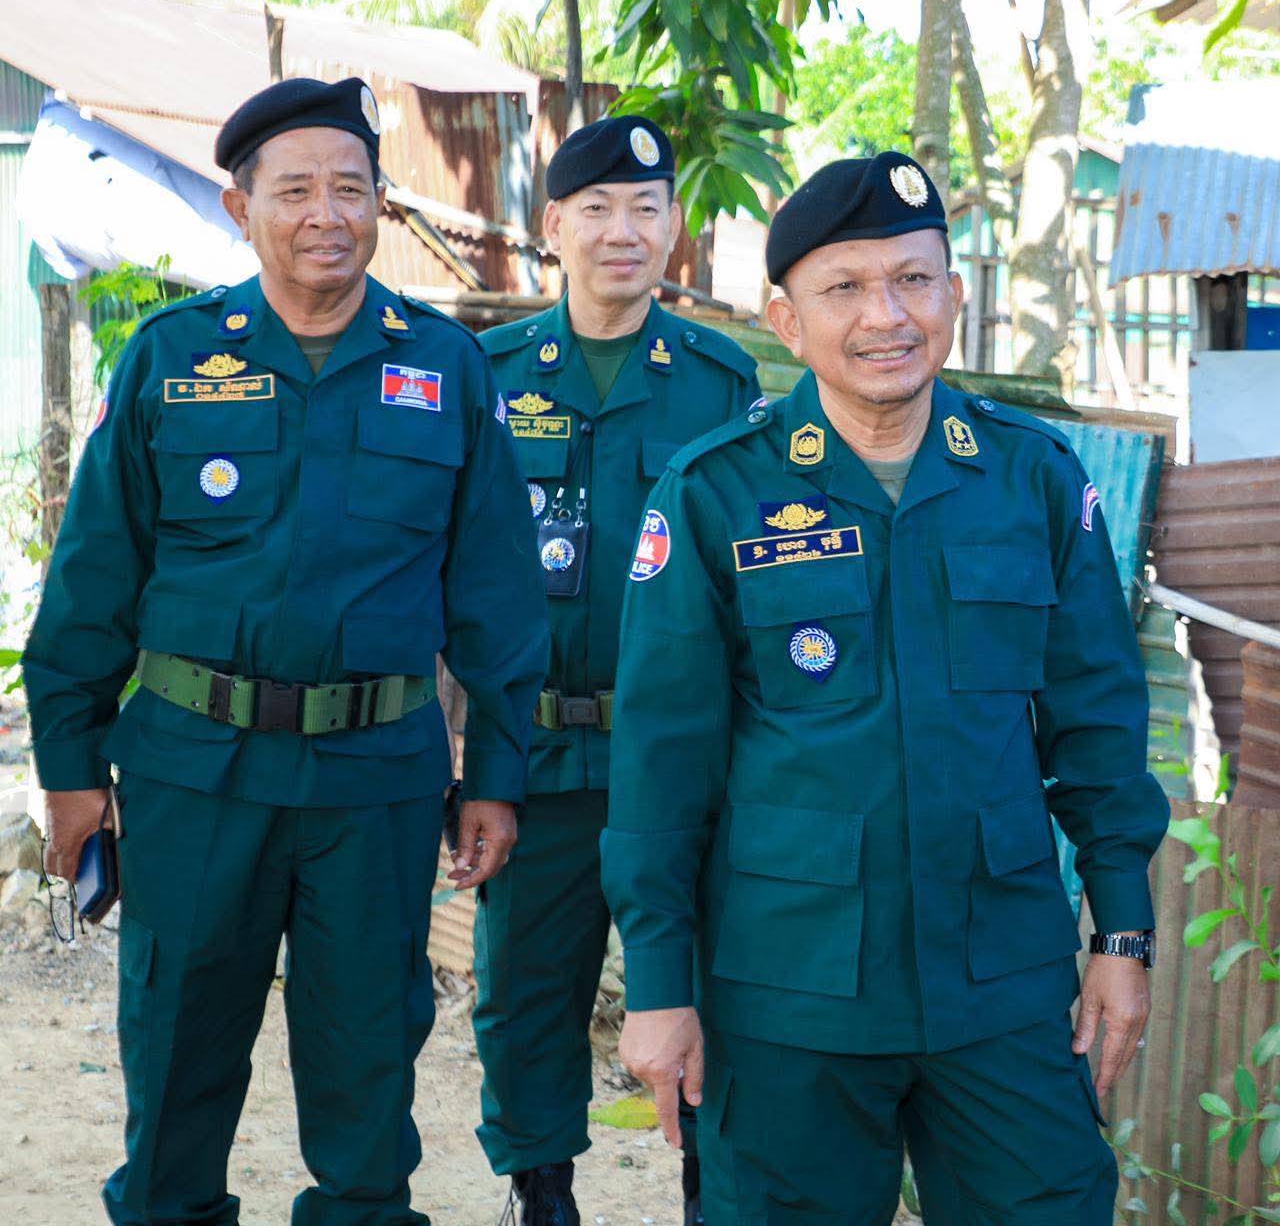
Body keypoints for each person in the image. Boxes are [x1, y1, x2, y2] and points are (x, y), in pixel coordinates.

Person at [600, 152, 1169, 1224]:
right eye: (845, 287)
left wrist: (1122, 938)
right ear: (785, 319)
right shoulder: (716, 491)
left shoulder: (1034, 477)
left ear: (955, 292)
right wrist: (661, 986)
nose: (886, 316)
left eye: (913, 279)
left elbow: (1097, 729)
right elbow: (660, 768)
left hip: (1001, 983)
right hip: (789, 989)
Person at [23, 76, 548, 1226]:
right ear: (239, 206)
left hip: (374, 782)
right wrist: (67, 766)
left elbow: (498, 598)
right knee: (176, 1058)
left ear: (378, 206)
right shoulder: (169, 358)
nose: (326, 214)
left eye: (350, 189)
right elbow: (92, 583)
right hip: (193, 772)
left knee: (367, 1075)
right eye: (295, 190)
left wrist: (496, 777)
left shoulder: (445, 369)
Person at [472, 115, 763, 1225]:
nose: (622, 231)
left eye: (646, 208)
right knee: (524, 990)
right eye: (596, 209)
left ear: (675, 227)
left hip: (680, 758)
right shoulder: (489, 374)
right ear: (553, 226)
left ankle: (707, 1191)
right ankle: (540, 1192)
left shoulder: (719, 381)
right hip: (538, 749)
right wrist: (469, 758)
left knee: (701, 983)